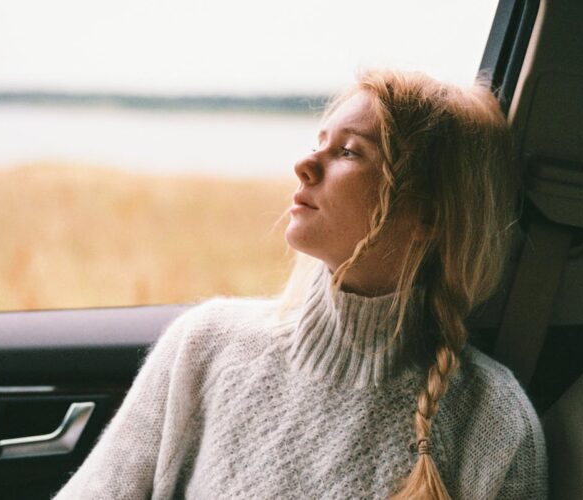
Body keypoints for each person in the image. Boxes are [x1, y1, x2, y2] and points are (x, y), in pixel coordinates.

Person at [55, 70, 548, 499]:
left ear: (431, 214)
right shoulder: (206, 343)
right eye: (319, 142)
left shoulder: (493, 422)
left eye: (349, 152)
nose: (305, 165)